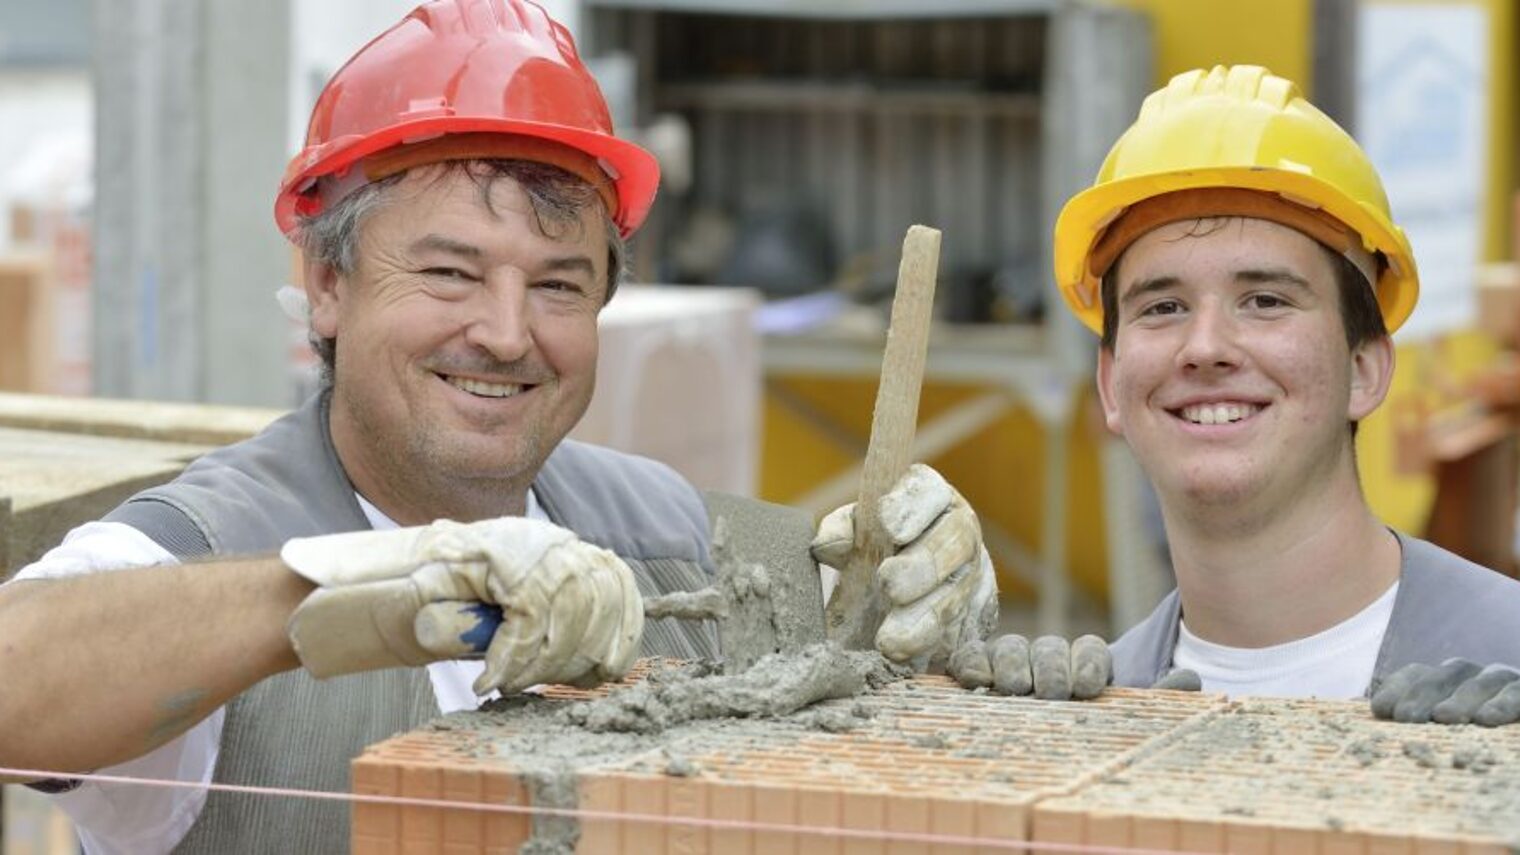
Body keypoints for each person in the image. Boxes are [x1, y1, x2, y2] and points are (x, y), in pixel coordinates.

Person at [0, 2, 997, 852]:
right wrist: (344, 594)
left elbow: (847, 631)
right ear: (327, 284)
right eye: (450, 273)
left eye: (559, 285)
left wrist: (918, 590)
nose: (507, 334)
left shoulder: (658, 527)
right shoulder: (210, 542)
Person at [1048, 64, 1520, 722]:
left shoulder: (1507, 667)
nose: (1204, 345)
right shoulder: (1094, 708)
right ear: (1111, 385)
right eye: (1162, 307)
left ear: (1364, 369)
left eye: (1265, 300)